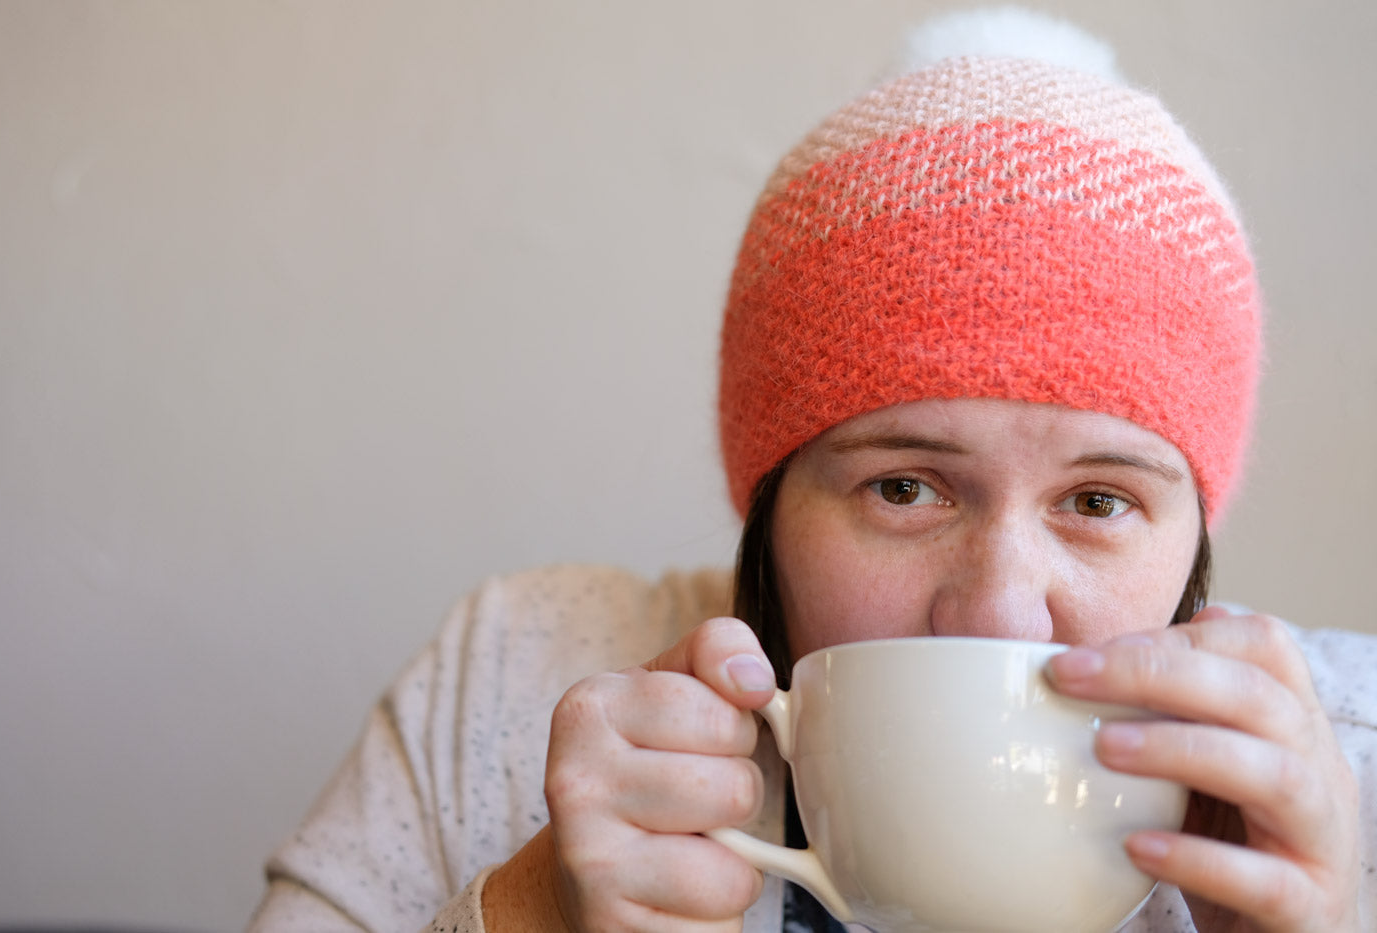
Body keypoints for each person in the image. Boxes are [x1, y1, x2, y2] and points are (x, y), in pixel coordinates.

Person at [248, 8, 1376, 932]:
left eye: (1096, 501)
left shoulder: (1347, 761)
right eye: (902, 487)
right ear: (767, 503)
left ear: (1191, 535)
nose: (995, 613)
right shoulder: (509, 679)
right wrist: (531, 910)